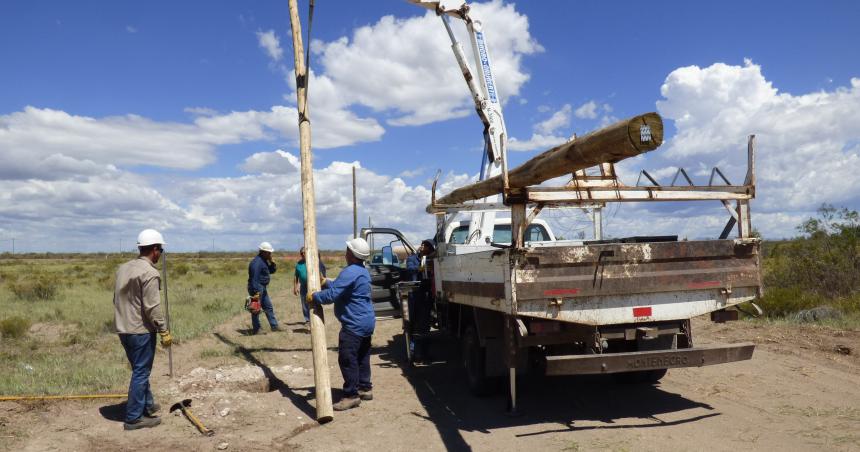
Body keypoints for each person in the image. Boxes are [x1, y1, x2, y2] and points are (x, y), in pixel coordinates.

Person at [113, 228, 172, 430]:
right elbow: (152, 308)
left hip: (123, 329)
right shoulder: (150, 273)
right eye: (160, 250)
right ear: (155, 249)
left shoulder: (123, 268)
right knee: (141, 372)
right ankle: (133, 418)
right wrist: (163, 330)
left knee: (140, 370)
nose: (160, 254)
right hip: (141, 331)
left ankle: (146, 405)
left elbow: (116, 299)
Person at [310, 237, 375, 411]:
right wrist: (327, 282)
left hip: (354, 324)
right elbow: (342, 286)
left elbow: (331, 296)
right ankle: (364, 388)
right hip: (366, 322)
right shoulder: (362, 271)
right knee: (362, 356)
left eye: (347, 250)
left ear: (352, 254)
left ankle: (351, 395)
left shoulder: (350, 271)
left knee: (347, 359)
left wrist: (315, 296)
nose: (345, 253)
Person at [405, 239, 436, 362]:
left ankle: (425, 354)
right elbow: (410, 269)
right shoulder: (412, 259)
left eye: (427, 246)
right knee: (411, 325)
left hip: (426, 297)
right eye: (423, 244)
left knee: (425, 327)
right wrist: (421, 268)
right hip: (414, 296)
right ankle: (411, 354)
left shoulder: (431, 260)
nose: (423, 246)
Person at [247, 241, 280, 334]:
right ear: (263, 252)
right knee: (255, 309)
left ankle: (274, 326)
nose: (270, 254)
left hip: (262, 287)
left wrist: (272, 262)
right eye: (269, 252)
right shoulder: (257, 263)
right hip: (256, 287)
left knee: (268, 307)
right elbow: (254, 278)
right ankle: (257, 329)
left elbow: (271, 271)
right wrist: (256, 292)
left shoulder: (263, 261)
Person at [292, 247, 327, 324]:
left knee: (315, 301)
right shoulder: (299, 264)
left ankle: (316, 318)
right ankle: (307, 319)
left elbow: (322, 273)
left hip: (313, 285)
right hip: (304, 286)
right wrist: (295, 287)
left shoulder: (314, 261)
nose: (303, 254)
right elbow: (296, 276)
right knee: (304, 302)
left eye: (304, 252)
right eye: (301, 253)